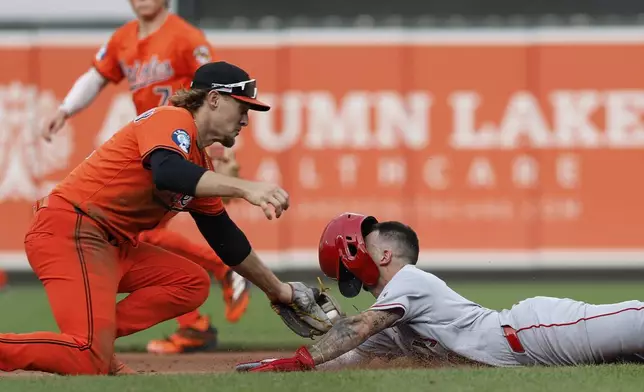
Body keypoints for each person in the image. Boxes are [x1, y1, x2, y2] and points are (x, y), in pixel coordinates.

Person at [0, 61, 328, 376]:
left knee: (191, 282)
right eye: (242, 108)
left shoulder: (200, 163)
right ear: (213, 99)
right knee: (87, 359)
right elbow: (168, 172)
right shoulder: (171, 118)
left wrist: (280, 291)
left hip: (110, 245)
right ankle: (91, 346)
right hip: (71, 231)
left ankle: (97, 339)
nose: (245, 119)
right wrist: (245, 188)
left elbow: (227, 241)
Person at [41, 0, 250, 354]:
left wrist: (221, 154)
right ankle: (195, 319)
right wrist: (65, 109)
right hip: (153, 149)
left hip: (184, 148)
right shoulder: (124, 39)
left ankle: (218, 280)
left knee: (146, 233)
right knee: (145, 234)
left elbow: (220, 96)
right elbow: (96, 76)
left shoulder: (185, 36)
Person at [240, 212, 644, 372]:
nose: (361, 245)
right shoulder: (392, 316)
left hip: (537, 331)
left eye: (368, 240)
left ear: (385, 254)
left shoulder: (410, 281)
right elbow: (347, 356)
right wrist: (269, 366)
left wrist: (301, 359)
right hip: (528, 351)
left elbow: (359, 328)